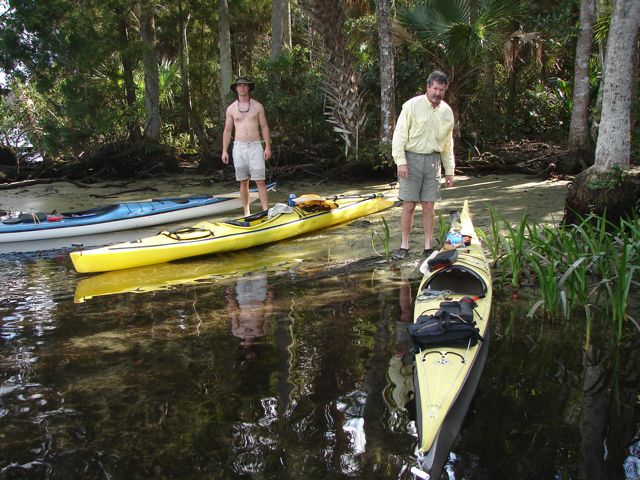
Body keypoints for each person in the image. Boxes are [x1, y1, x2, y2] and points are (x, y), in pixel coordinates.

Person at [391, 70, 455, 260]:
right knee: (409, 204)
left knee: (429, 205)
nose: (437, 93)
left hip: (433, 162)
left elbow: (447, 144)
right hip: (411, 159)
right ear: (428, 87)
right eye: (435, 88)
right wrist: (401, 161)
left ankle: (428, 247)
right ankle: (404, 246)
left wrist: (449, 171)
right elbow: (399, 135)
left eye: (441, 90)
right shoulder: (412, 106)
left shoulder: (446, 112)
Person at [221, 76, 272, 216]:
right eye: (240, 85)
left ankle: (265, 211)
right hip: (239, 147)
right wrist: (224, 151)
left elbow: (264, 126)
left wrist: (267, 146)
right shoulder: (231, 109)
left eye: (245, 85)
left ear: (248, 88)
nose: (242, 88)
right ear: (236, 88)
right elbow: (227, 130)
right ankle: (246, 212)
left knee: (260, 180)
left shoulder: (257, 106)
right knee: (243, 181)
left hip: (255, 145)